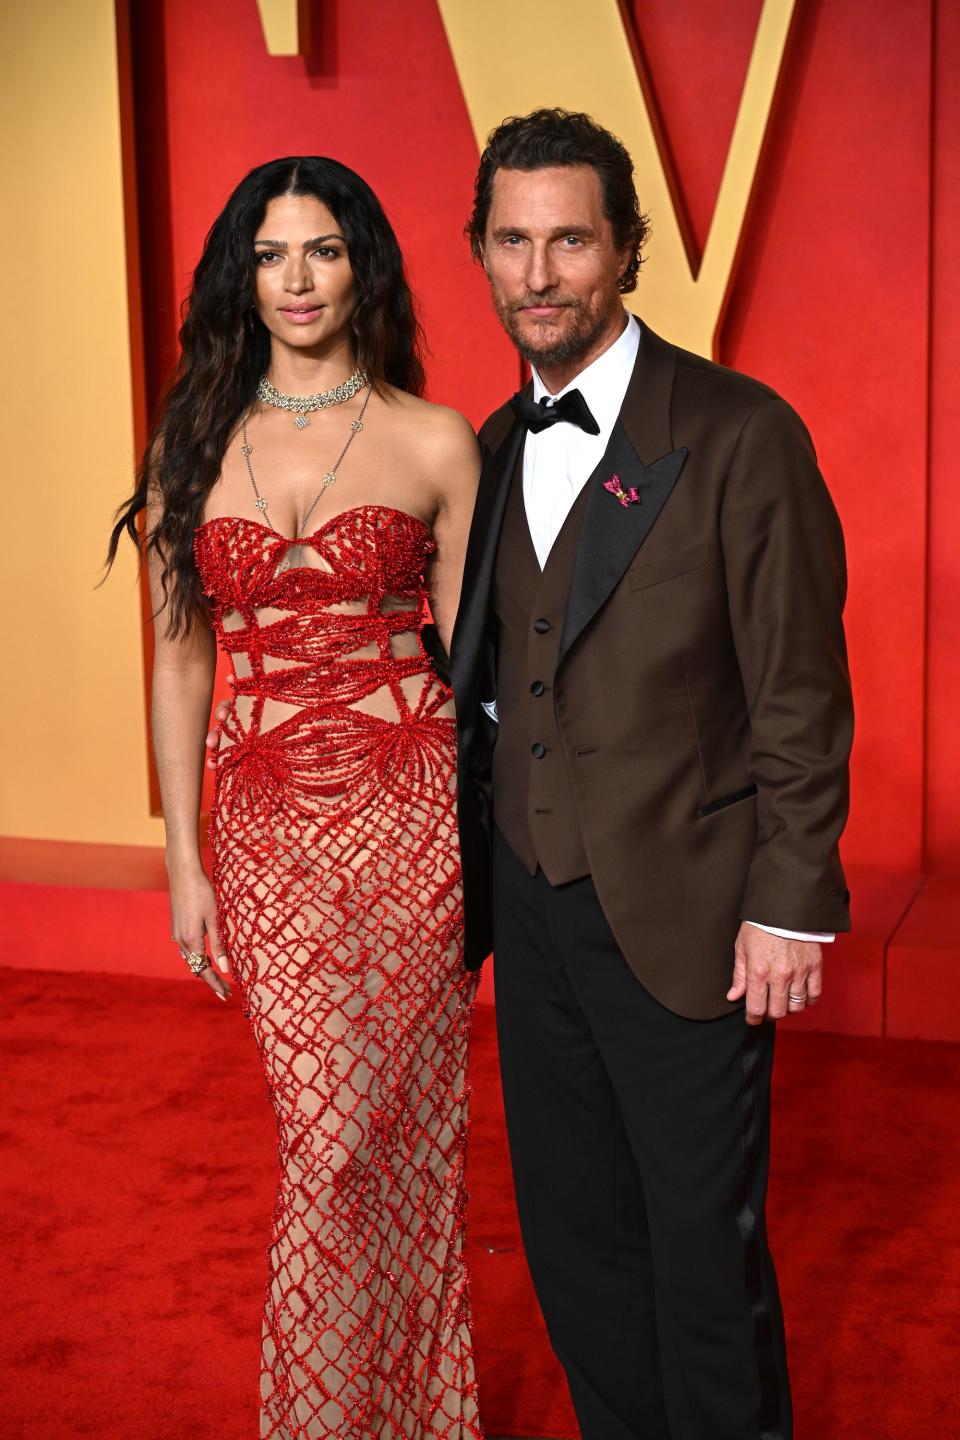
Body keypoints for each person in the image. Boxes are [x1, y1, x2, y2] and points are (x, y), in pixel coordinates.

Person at [449, 110, 853, 1440]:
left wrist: (790, 901)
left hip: (691, 908)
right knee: (578, 1250)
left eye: (570, 238)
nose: (541, 273)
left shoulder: (740, 433)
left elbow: (799, 688)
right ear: (483, 255)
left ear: (627, 250)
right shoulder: (489, 448)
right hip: (536, 907)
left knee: (699, 1257)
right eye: (513, 241)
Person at [108, 156, 483, 1440]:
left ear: (361, 263)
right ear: (241, 276)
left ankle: (419, 1420)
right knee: (327, 1147)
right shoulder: (192, 442)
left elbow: (480, 671)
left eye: (321, 250)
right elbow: (178, 659)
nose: (298, 279)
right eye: (271, 255)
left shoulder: (435, 439)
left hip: (413, 820)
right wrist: (186, 862)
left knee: (406, 1144)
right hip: (265, 832)